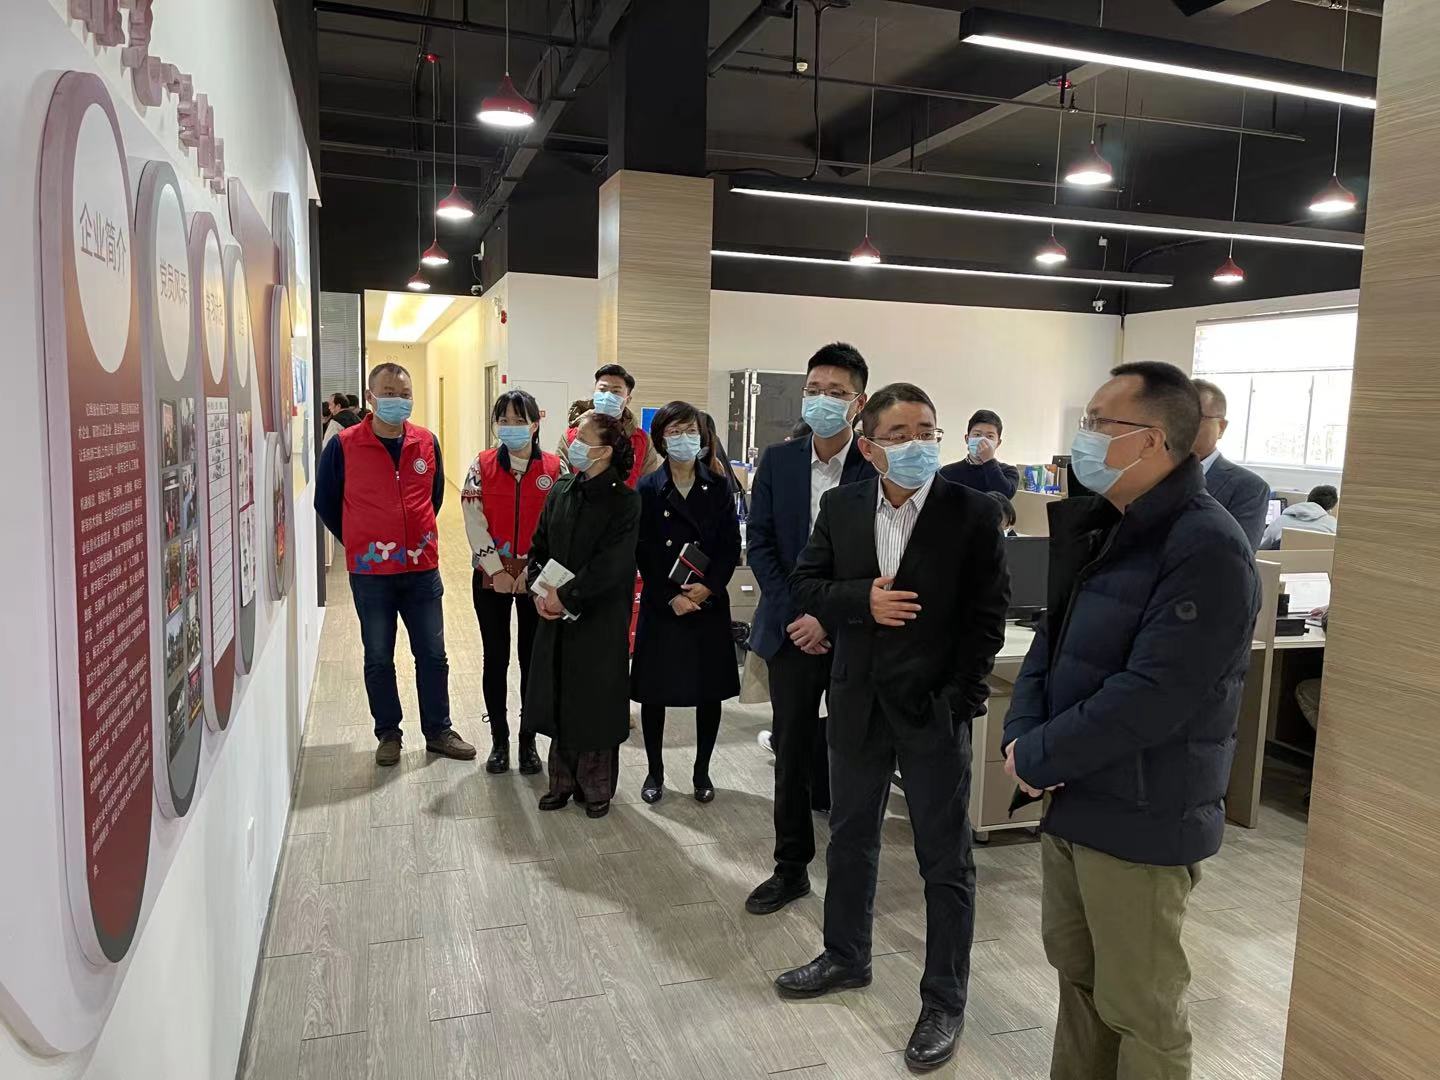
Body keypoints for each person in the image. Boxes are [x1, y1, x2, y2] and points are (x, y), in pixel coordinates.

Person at [1002, 360, 1260, 1080]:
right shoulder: (1106, 524)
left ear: (1150, 440)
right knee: (1080, 980)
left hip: (1145, 811)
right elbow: (1051, 642)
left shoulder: (1206, 545)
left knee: (1143, 1007)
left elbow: (1155, 694)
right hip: (1077, 797)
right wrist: (1022, 734)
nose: (1082, 437)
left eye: (1097, 423)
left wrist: (1039, 755)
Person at [774, 382, 1009, 1070]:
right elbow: (807, 584)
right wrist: (861, 600)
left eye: (927, 431)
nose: (917, 444)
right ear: (870, 446)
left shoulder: (973, 511)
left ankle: (944, 1000)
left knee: (945, 858)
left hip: (933, 708)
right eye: (900, 435)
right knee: (851, 836)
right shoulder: (843, 505)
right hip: (857, 700)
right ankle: (845, 954)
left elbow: (987, 616)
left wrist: (959, 699)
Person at [744, 343, 876, 917]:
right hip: (791, 630)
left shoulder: (876, 465)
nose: (823, 400)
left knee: (854, 754)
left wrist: (828, 615)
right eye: (814, 390)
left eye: (836, 392)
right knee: (792, 751)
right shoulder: (779, 461)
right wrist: (801, 612)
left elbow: (881, 554)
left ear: (859, 403)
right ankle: (791, 867)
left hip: (854, 630)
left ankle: (852, 874)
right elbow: (762, 544)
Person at [315, 362, 476, 766]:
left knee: (433, 655)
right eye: (389, 394)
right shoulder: (344, 444)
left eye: (405, 395)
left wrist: (413, 537)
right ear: (371, 397)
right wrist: (360, 539)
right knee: (378, 656)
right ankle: (388, 733)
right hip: (372, 574)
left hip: (422, 570)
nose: (398, 401)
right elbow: (326, 501)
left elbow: (434, 497)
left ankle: (438, 731)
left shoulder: (426, 441)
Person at [524, 411, 642, 819]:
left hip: (599, 618)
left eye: (582, 436)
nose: (573, 441)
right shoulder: (562, 490)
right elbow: (539, 546)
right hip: (553, 614)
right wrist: (539, 591)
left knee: (595, 701)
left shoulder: (626, 502)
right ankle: (561, 782)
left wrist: (567, 597)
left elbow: (613, 564)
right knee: (559, 694)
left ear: (604, 451)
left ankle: (596, 788)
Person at [630, 401, 742, 804]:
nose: (684, 439)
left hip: (706, 603)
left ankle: (702, 771)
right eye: (674, 432)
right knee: (654, 693)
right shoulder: (647, 487)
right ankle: (655, 771)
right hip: (663, 605)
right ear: (661, 439)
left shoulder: (719, 486)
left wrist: (708, 588)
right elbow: (641, 549)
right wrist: (669, 597)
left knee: (708, 692)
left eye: (690, 431)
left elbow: (730, 545)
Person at [461, 389, 561, 776]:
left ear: (535, 424)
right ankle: (500, 740)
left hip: (536, 579)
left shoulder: (555, 468)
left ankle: (528, 739)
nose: (511, 427)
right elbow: (474, 520)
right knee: (496, 657)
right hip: (492, 579)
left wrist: (535, 573)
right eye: (504, 420)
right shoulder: (481, 464)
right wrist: (497, 571)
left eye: (520, 420)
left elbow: (560, 526)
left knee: (531, 660)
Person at [1192, 379, 1270, 547]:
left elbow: (1238, 553)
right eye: (1174, 418)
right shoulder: (1148, 475)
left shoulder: (1250, 488)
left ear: (1221, 427)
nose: (1181, 426)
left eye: (1194, 418)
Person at [557, 363, 660, 487]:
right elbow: (561, 478)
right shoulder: (572, 435)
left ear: (628, 399)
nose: (607, 396)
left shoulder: (642, 440)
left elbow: (648, 484)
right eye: (602, 390)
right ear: (594, 394)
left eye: (616, 391)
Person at [939, 409, 1019, 496]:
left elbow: (1005, 495)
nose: (982, 440)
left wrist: (989, 461)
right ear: (967, 439)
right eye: (977, 435)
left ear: (998, 443)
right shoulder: (947, 472)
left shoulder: (1009, 471)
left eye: (990, 436)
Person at [1260, 484, 1339, 549]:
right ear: (1330, 509)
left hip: (1282, 562)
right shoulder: (1333, 525)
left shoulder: (1281, 520)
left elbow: (1261, 546)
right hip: (1319, 563)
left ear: (1307, 499)